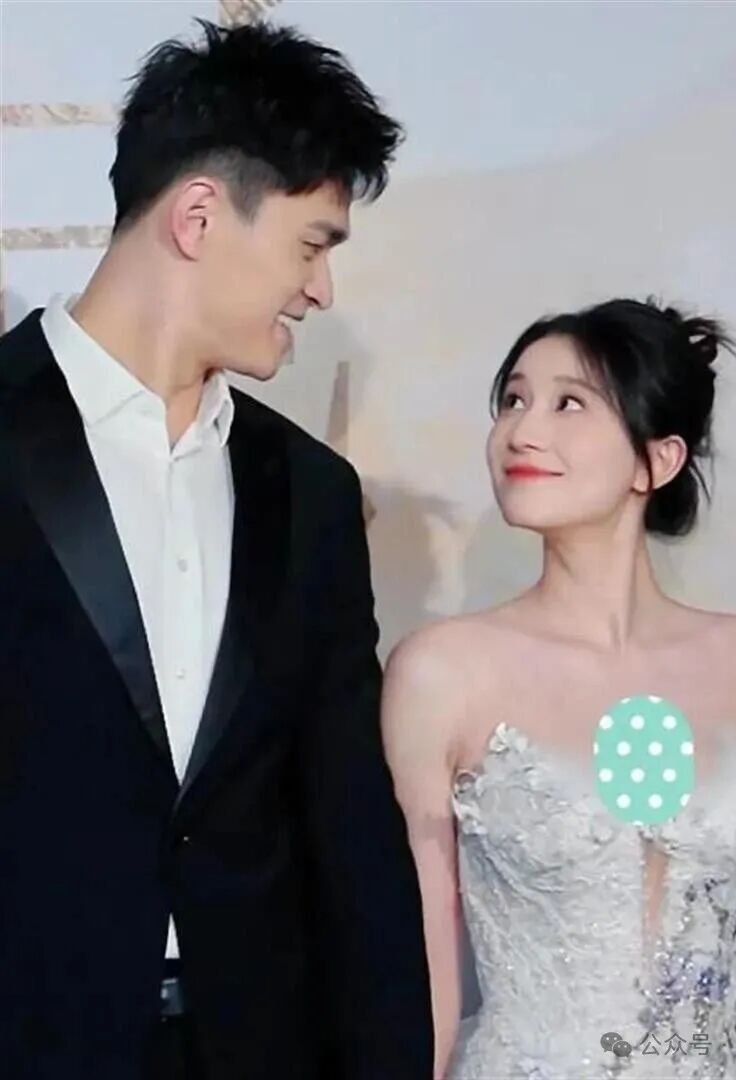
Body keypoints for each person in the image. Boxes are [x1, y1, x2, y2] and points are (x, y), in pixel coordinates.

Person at [0, 19, 432, 1080]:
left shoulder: (312, 494)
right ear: (198, 217)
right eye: (312, 245)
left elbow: (347, 829)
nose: (321, 291)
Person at [382, 298, 736, 1079]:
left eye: (569, 404)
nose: (522, 431)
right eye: (513, 401)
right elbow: (425, 969)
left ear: (656, 461)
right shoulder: (444, 672)